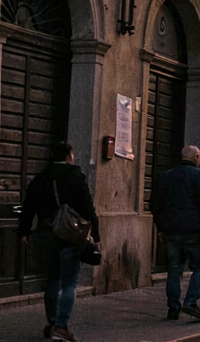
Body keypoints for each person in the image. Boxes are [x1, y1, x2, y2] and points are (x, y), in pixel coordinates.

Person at [18, 141, 100, 342]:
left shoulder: (41, 178)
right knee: (70, 281)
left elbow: (28, 207)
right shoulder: (76, 177)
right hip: (70, 236)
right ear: (69, 155)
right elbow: (88, 209)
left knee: (52, 279)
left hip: (46, 234)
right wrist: (97, 236)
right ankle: (62, 327)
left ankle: (52, 322)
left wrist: (24, 232)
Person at [151, 145, 200, 321]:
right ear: (196, 157)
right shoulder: (199, 176)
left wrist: (160, 227)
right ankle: (190, 302)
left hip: (171, 231)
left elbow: (155, 204)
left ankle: (173, 308)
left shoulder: (166, 176)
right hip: (193, 231)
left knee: (174, 268)